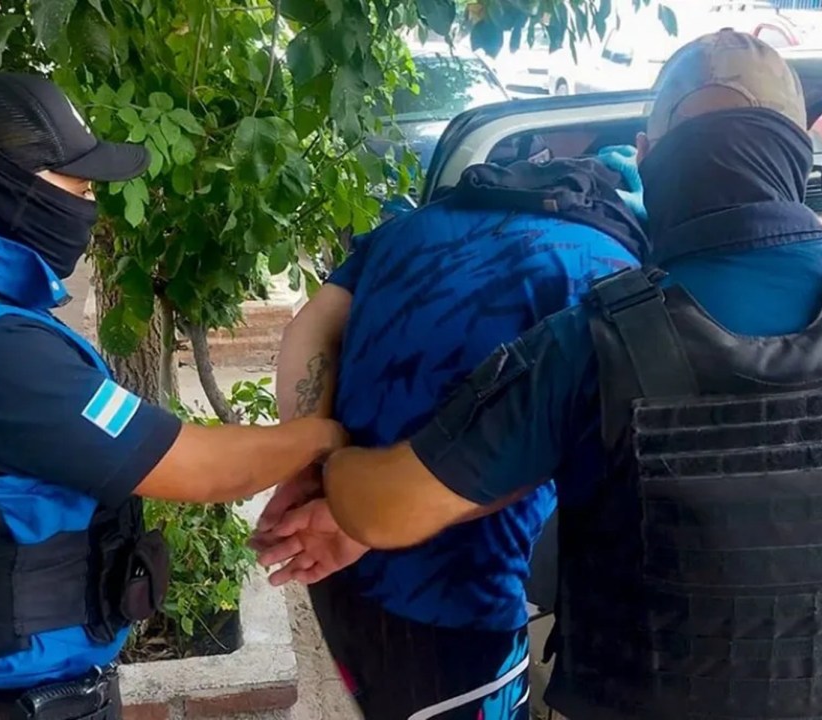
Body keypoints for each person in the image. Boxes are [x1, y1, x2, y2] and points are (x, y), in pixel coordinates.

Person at [285, 30, 822, 718]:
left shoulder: (595, 338)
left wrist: (325, 456)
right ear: (799, 151)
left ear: (646, 156)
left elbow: (382, 508)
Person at [0, 74, 344, 720]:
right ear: (5, 189)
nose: (91, 202)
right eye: (77, 184)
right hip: (17, 698)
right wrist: (324, 436)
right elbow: (204, 469)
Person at [252, 143, 648, 717]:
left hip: (334, 560)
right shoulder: (609, 274)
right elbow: (531, 447)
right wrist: (363, 518)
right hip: (456, 596)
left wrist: (311, 467)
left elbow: (310, 327)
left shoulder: (409, 226)